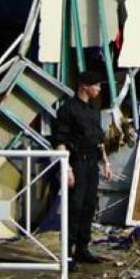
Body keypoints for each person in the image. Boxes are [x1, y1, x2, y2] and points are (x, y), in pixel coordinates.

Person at [52, 70, 114, 266]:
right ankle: (67, 252)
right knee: (75, 206)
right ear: (84, 86)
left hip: (92, 162)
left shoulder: (93, 110)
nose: (99, 89)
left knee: (88, 205)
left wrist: (106, 162)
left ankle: (82, 248)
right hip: (76, 162)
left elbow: (99, 138)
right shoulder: (67, 110)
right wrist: (67, 168)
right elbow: (60, 139)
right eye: (96, 85)